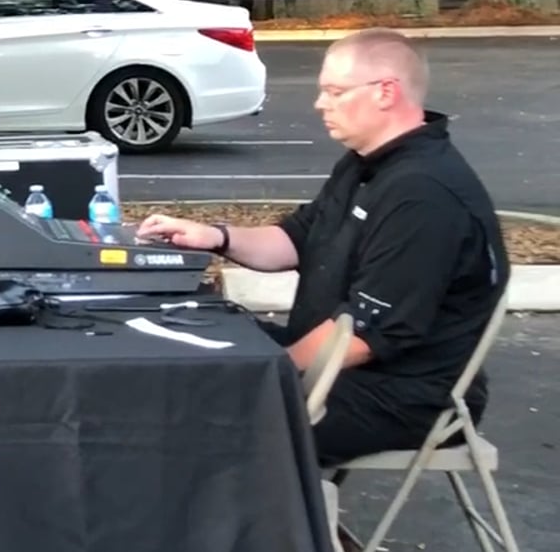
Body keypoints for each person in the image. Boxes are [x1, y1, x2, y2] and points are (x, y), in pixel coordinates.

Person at [139, 28, 507, 463]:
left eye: (335, 92)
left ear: (385, 92)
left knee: (199, 414)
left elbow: (365, 335)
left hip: (403, 395)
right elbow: (294, 240)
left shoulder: (423, 194)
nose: (320, 104)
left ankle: (252, 509)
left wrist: (263, 370)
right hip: (346, 365)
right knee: (185, 353)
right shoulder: (366, 164)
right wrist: (216, 237)